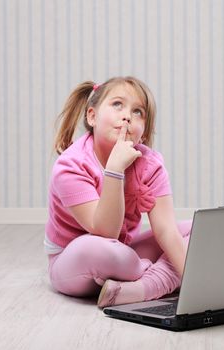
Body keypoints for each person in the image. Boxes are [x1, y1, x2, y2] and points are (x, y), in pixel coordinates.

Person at [45, 76, 192, 308]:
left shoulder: (150, 163)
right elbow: (106, 232)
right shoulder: (71, 165)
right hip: (76, 260)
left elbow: (166, 231)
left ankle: (140, 288)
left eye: (138, 112)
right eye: (117, 105)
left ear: (143, 132)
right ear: (92, 116)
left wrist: (194, 284)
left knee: (195, 230)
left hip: (124, 253)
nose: (127, 116)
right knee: (102, 250)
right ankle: (156, 278)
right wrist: (115, 169)